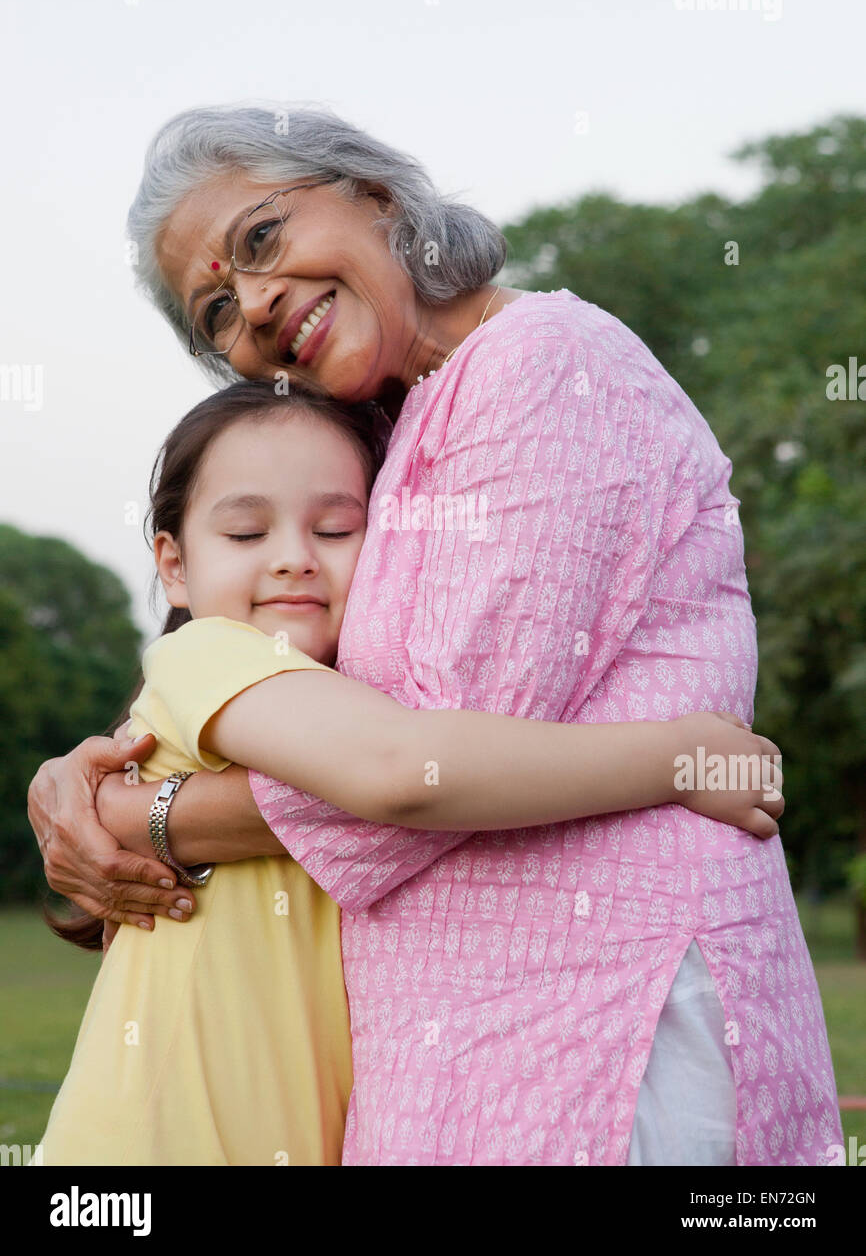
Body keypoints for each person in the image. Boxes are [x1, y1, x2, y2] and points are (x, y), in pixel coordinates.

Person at [29, 105, 843, 1165]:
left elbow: (416, 772)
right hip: (471, 1044)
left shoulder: (541, 364)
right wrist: (86, 789)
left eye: (263, 239)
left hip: (604, 1017)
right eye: (217, 307)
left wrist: (139, 818)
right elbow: (324, 723)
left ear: (372, 196)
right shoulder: (406, 434)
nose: (258, 302)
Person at [39, 379, 776, 1165]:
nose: (293, 559)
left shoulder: (355, 698)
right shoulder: (206, 654)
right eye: (247, 533)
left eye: (335, 528)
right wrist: (673, 761)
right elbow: (401, 773)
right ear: (174, 566)